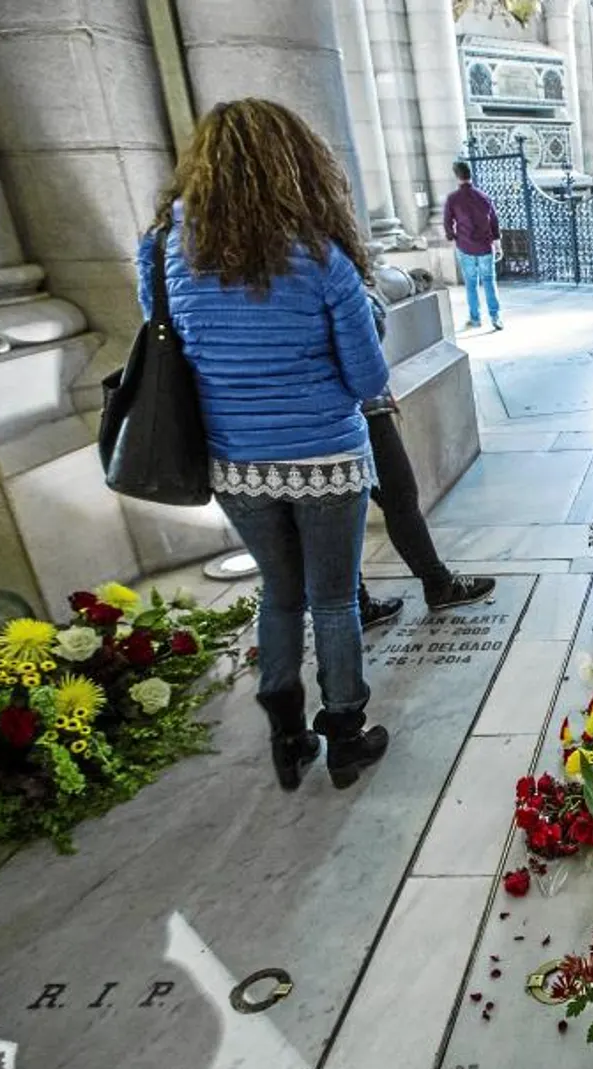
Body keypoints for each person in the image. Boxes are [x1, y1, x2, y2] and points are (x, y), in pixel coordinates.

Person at [139, 98, 389, 791]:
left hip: (235, 462)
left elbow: (172, 350)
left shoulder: (163, 252)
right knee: (333, 599)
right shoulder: (320, 258)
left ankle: (286, 735)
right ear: (295, 166)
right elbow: (369, 377)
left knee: (278, 594)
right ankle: (346, 735)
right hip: (326, 457)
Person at [351, 292, 497, 629]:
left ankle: (360, 601)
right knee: (397, 496)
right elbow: (370, 321)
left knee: (344, 514)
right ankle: (435, 584)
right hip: (355, 409)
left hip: (282, 429)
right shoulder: (325, 264)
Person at [444, 160, 502, 331]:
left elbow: (447, 221)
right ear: (471, 175)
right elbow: (494, 222)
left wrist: (453, 236)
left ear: (457, 177)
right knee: (489, 281)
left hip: (465, 246)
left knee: (471, 283)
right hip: (485, 246)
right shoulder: (484, 197)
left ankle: (475, 318)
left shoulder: (453, 199)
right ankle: (495, 317)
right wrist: (497, 243)